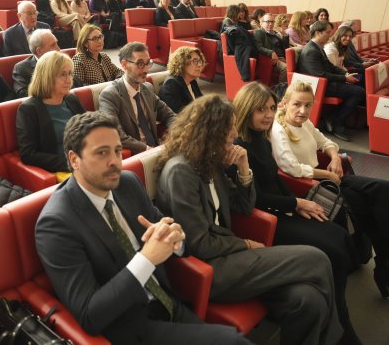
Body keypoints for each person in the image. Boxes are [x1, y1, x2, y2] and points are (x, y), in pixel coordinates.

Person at [35, 110, 251, 345]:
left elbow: (173, 238)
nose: (114, 162)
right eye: (102, 153)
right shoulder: (56, 223)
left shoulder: (127, 184)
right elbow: (89, 314)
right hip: (128, 327)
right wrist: (147, 258)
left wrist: (175, 239)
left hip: (169, 303)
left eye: (117, 151)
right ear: (74, 159)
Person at [155, 94, 342, 345]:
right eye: (229, 127)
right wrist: (246, 244)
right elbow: (200, 244)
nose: (234, 133)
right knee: (317, 258)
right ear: (210, 131)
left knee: (309, 300)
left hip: (233, 259)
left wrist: (244, 168)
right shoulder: (181, 171)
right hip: (212, 268)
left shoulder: (210, 161)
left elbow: (244, 206)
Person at [233, 82, 361, 344]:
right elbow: (254, 198)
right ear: (246, 110)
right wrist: (295, 205)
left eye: (271, 108)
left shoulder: (260, 136)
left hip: (281, 207)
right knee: (332, 248)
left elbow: (275, 179)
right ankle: (340, 325)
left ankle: (335, 314)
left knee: (337, 234)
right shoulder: (239, 144)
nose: (268, 115)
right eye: (260, 110)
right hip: (262, 220)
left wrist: (296, 202)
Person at [270, 81, 389, 301]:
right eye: (297, 104)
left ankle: (383, 261)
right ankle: (384, 266)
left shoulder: (304, 123)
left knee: (382, 190)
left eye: (308, 105)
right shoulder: (278, 130)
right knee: (368, 205)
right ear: (284, 104)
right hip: (312, 187)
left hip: (328, 178)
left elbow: (326, 141)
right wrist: (327, 175)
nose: (303, 111)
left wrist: (334, 158)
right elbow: (291, 168)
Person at [98, 42, 174, 155]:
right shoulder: (110, 95)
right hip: (136, 155)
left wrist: (180, 131)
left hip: (156, 149)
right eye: (140, 64)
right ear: (124, 65)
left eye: (148, 63)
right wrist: (147, 150)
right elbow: (115, 134)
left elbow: (169, 115)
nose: (146, 70)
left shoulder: (147, 88)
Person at [16, 51, 85, 173]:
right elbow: (28, 154)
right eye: (63, 74)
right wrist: (71, 162)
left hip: (85, 158)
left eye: (70, 74)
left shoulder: (71, 99)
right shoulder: (28, 109)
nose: (68, 80)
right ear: (46, 77)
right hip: (62, 168)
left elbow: (89, 129)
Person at [298, 20, 364, 141]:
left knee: (359, 83)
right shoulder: (311, 51)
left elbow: (330, 67)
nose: (330, 35)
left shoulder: (318, 47)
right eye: (328, 32)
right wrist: (344, 78)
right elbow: (320, 74)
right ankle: (337, 123)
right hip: (319, 86)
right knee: (359, 92)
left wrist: (345, 73)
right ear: (318, 32)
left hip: (325, 82)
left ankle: (336, 117)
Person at [12, 29, 59, 97]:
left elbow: (74, 86)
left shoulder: (61, 63)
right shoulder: (21, 69)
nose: (58, 49)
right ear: (39, 51)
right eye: (53, 45)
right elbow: (23, 94)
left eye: (57, 44)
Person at [159, 46, 205, 113]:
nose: (200, 65)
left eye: (200, 61)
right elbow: (181, 114)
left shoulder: (192, 81)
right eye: (195, 61)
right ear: (182, 63)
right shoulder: (171, 84)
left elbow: (203, 103)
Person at [253, 13, 288, 83]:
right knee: (286, 68)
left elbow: (285, 48)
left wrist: (285, 36)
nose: (270, 24)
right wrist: (271, 52)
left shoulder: (275, 33)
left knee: (298, 64)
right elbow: (259, 47)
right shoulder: (259, 32)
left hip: (282, 57)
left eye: (272, 21)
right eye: (268, 21)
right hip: (271, 59)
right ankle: (281, 89)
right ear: (261, 23)